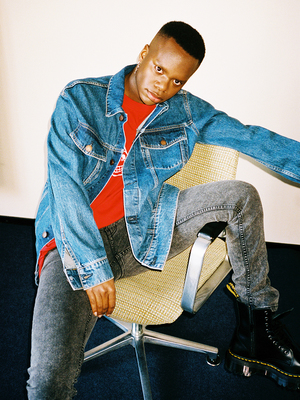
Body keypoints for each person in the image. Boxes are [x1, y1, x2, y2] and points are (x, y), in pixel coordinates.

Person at [27, 21, 300, 398]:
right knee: (46, 385)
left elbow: (251, 136)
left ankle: (258, 331)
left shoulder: (185, 112)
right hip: (73, 245)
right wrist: (92, 267)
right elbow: (65, 191)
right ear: (144, 53)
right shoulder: (79, 100)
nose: (163, 87)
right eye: (159, 69)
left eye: (176, 81)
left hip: (145, 230)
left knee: (241, 195)